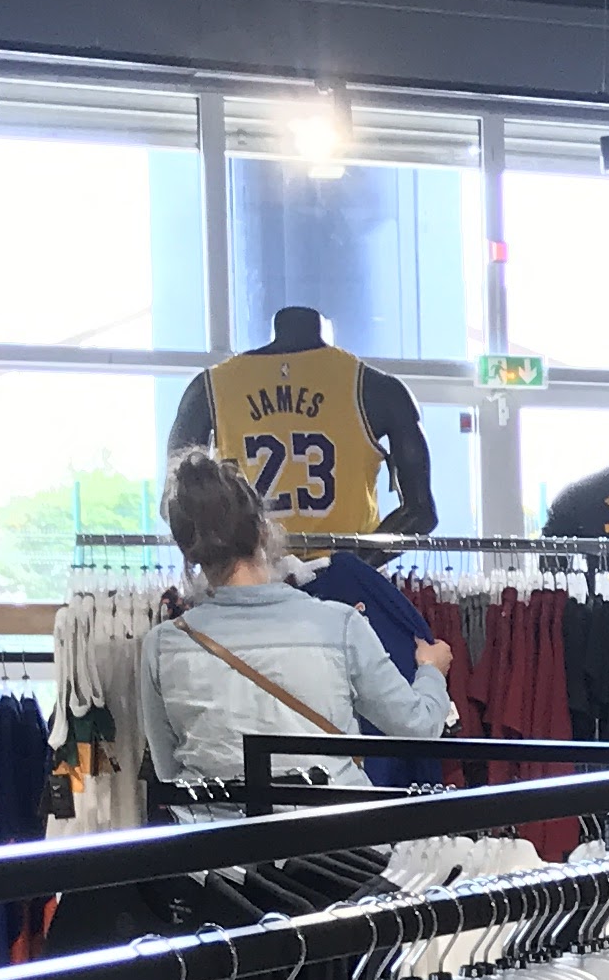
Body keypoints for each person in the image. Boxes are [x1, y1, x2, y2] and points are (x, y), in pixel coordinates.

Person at [139, 446, 457, 805]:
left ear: (189, 553)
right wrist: (431, 671)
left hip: (222, 837)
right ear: (263, 531)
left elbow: (170, 772)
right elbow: (417, 727)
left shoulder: (163, 646)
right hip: (333, 832)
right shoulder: (339, 625)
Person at [167, 307, 437, 544]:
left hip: (254, 568)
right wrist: (359, 565)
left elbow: (175, 505)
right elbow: (421, 513)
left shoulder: (210, 387)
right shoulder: (378, 388)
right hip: (345, 568)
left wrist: (226, 562)